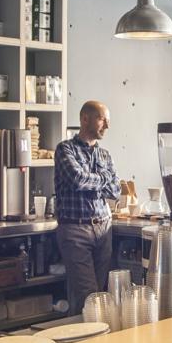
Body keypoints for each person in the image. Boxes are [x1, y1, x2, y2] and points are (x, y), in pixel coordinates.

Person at [55, 99, 120, 315]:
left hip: (104, 229)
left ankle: (81, 341)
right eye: (102, 120)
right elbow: (77, 180)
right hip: (76, 230)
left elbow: (116, 190)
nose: (107, 126)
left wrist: (96, 180)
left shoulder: (105, 155)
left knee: (98, 294)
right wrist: (103, 178)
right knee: (89, 296)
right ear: (85, 119)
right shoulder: (65, 150)